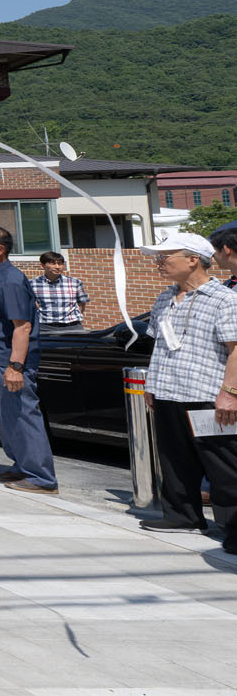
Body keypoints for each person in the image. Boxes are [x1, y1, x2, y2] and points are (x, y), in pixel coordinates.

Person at [135, 233, 237, 551]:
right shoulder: (164, 298)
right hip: (169, 391)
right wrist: (152, 385)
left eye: (165, 256)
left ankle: (234, 527)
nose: (159, 263)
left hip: (208, 394)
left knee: (224, 465)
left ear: (193, 260)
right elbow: (159, 347)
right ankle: (182, 515)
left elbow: (235, 350)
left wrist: (230, 392)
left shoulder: (224, 299)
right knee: (174, 458)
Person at [0, 226, 55, 493]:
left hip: (6, 360)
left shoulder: (10, 280)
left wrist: (15, 367)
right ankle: (22, 466)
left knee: (23, 415)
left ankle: (41, 478)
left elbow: (22, 326)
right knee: (8, 417)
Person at [30, 251, 90, 332]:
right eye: (53, 263)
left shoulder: (75, 282)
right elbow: (32, 305)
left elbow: (81, 304)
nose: (57, 267)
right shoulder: (33, 284)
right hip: (44, 328)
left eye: (60, 264)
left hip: (72, 327)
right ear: (42, 265)